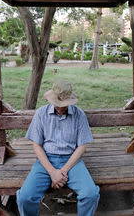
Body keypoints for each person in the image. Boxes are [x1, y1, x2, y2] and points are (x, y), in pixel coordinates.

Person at [16, 79, 100, 216]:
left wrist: (63, 171)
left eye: (64, 105)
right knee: (25, 197)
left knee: (90, 194)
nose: (60, 107)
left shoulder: (79, 115)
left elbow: (82, 146)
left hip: (72, 161)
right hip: (46, 160)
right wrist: (52, 172)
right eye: (57, 103)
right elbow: (36, 145)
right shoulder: (41, 114)